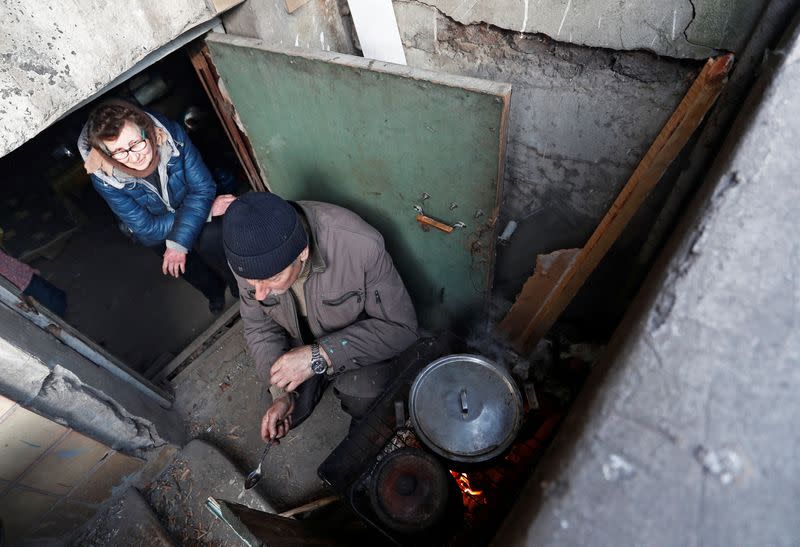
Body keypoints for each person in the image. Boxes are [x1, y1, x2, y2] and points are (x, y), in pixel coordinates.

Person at [222, 192, 419, 441]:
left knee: (364, 396)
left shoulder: (360, 245)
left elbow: (402, 329)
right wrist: (279, 392)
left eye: (271, 279)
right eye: (252, 282)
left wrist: (320, 355)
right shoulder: (244, 257)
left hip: (352, 338)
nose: (259, 294)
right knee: (286, 412)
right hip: (298, 339)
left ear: (302, 253)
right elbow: (258, 327)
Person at [78, 99, 238, 313]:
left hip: (187, 206)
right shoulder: (104, 177)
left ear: (146, 130)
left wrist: (181, 237)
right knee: (184, 266)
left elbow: (203, 188)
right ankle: (214, 292)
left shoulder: (173, 138)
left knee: (216, 240)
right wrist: (205, 212)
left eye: (136, 143)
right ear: (107, 154)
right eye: (119, 151)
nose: (134, 157)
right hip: (167, 228)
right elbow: (147, 229)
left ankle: (238, 284)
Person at [0, 248, 67, 317]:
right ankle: (60, 308)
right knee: (48, 296)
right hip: (22, 281)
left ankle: (61, 307)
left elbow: (7, 260)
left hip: (24, 278)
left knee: (49, 294)